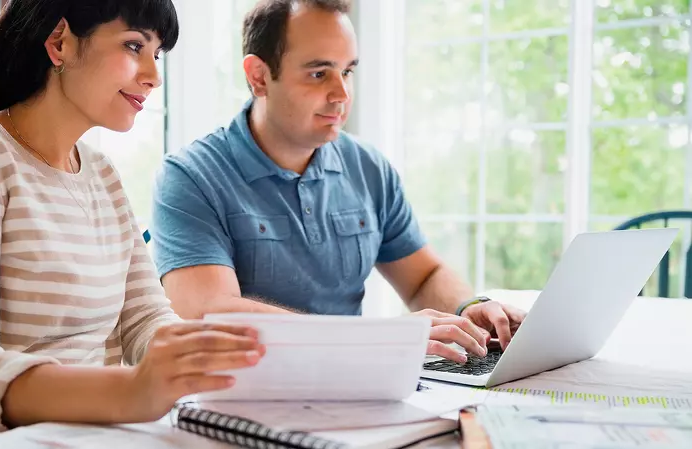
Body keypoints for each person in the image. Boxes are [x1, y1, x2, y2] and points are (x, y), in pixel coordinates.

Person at [0, 1, 265, 448]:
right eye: (133, 46)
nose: (153, 76)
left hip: (74, 434)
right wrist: (130, 392)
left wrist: (220, 360)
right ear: (59, 42)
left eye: (156, 55)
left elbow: (145, 320)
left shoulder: (102, 173)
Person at [152, 0, 526, 365]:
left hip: (360, 381)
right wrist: (378, 338)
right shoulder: (190, 175)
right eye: (319, 74)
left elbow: (423, 276)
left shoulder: (368, 167)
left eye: (347, 71)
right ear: (259, 77)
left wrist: (467, 308)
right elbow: (208, 312)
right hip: (246, 389)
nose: (342, 94)